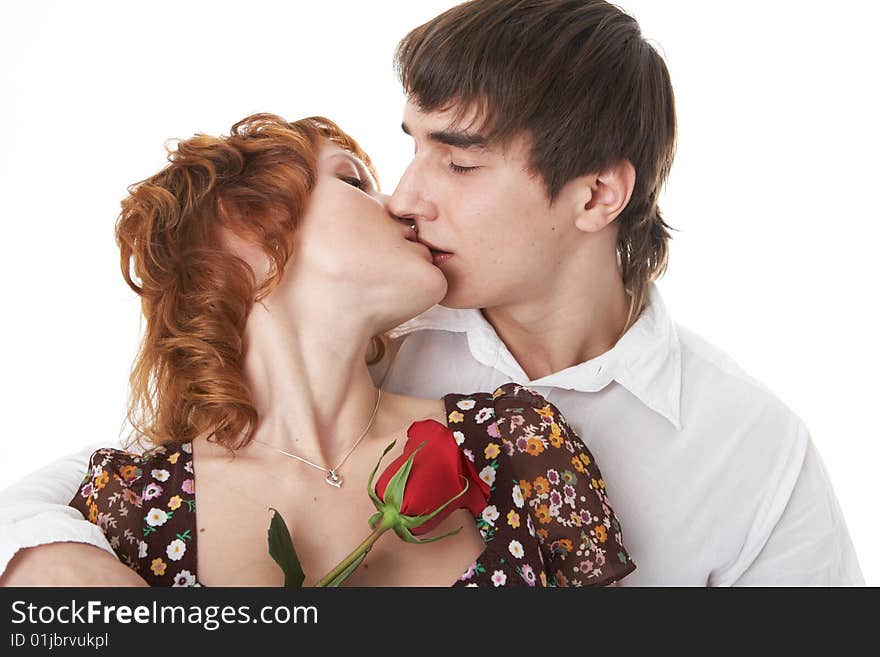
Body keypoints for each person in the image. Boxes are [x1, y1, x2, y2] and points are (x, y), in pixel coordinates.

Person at [0, 0, 863, 586]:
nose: (406, 199)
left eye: (458, 160)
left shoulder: (748, 450)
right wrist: (47, 566)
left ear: (596, 196)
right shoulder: (383, 324)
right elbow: (89, 483)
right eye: (402, 148)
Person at [1, 112, 633, 588]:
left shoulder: (516, 438)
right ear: (242, 225)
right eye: (354, 180)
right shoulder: (133, 506)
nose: (403, 207)